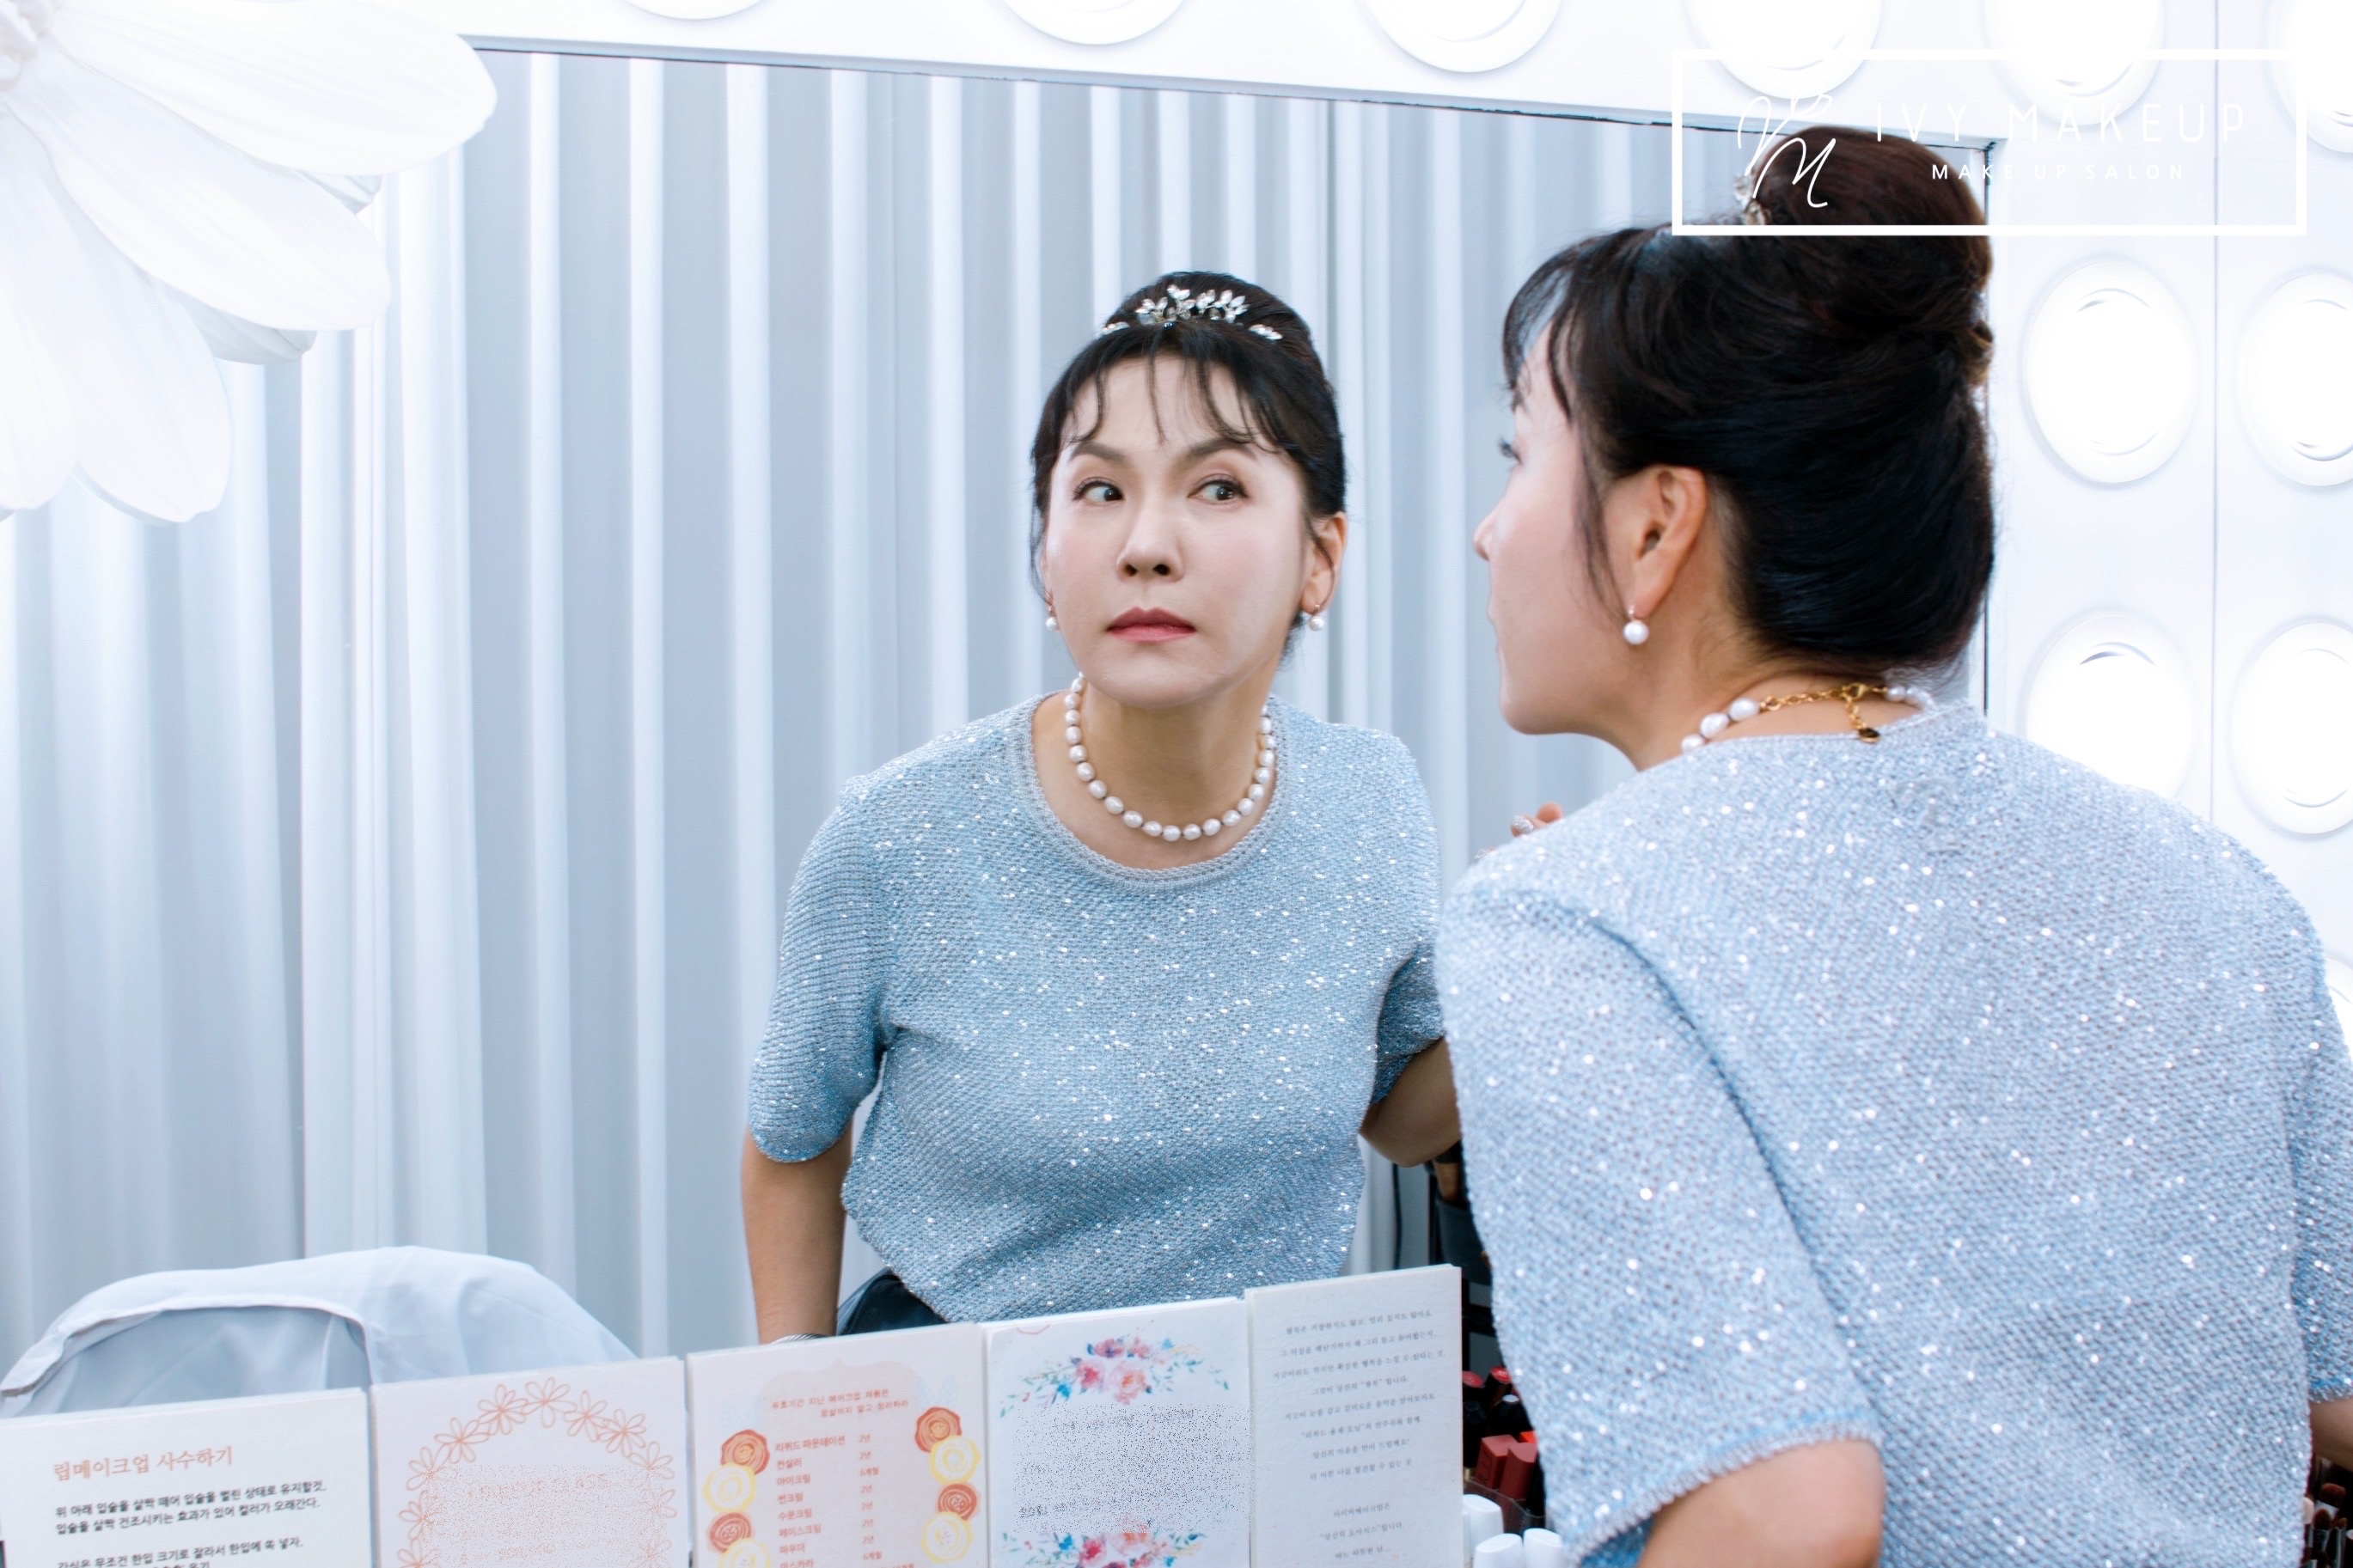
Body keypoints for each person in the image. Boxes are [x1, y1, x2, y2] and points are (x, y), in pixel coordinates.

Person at [1439, 128, 2353, 1567]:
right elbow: (2334, 1392)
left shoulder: (1569, 922)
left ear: (1656, 524)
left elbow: (1780, 1519)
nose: (1486, 533)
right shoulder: (2215, 887)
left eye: (1516, 459)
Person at [742, 272, 1459, 1339]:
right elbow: (790, 1142)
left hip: (1260, 1411)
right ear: (1045, 555)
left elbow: (1397, 1121)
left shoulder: (1371, 800)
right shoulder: (899, 835)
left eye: (1218, 487)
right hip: (960, 1405)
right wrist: (800, 1406)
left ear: (1319, 558)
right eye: (1099, 490)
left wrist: (1530, 968)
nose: (1145, 545)